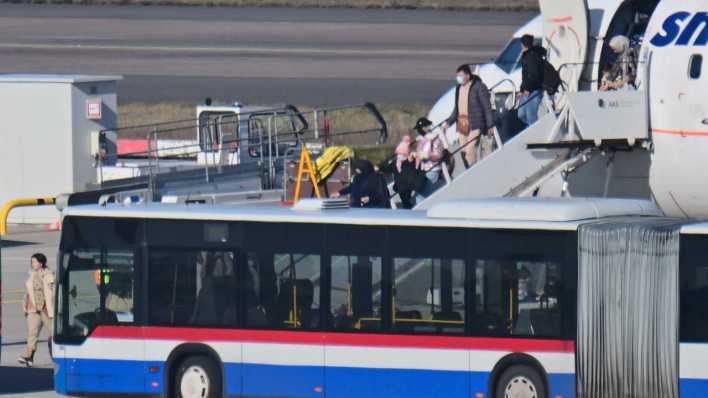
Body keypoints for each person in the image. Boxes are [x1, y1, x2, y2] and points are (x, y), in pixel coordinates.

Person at [442, 64, 495, 168]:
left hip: (475, 123)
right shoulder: (459, 88)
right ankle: (469, 168)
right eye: (458, 76)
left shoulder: (479, 87)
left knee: (470, 150)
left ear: (468, 75)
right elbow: (456, 109)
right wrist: (448, 123)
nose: (459, 78)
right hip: (462, 123)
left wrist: (490, 124)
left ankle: (472, 171)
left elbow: (487, 107)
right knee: (463, 151)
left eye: (461, 76)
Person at [18, 253, 55, 367]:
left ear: (41, 263)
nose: (32, 263)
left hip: (45, 309)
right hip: (33, 309)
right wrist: (25, 305)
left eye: (34, 261)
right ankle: (29, 357)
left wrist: (50, 308)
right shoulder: (32, 275)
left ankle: (55, 356)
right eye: (32, 261)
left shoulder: (49, 275)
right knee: (32, 333)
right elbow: (28, 292)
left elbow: (51, 293)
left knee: (54, 333)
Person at [413, 118, 444, 204]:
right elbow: (419, 155)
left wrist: (427, 155)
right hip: (424, 171)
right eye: (419, 129)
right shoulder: (421, 141)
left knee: (420, 197)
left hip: (433, 170)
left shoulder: (435, 139)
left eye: (422, 128)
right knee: (417, 195)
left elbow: (439, 155)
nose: (420, 131)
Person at [518, 34, 544, 126]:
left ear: (523, 44)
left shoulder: (532, 56)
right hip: (526, 90)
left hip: (533, 91)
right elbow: (525, 75)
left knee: (531, 117)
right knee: (521, 114)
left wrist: (528, 89)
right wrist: (522, 90)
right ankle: (530, 129)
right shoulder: (526, 55)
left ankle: (533, 134)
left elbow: (534, 75)